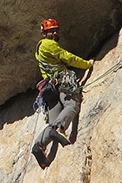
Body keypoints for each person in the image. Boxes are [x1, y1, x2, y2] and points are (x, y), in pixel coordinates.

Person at [31, 18, 93, 169]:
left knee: (53, 121)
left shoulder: (39, 51)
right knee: (72, 105)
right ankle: (59, 129)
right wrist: (87, 64)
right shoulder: (49, 44)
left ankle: (39, 145)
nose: (54, 32)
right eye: (51, 31)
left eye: (56, 30)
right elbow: (67, 57)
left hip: (49, 91)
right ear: (44, 34)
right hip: (62, 83)